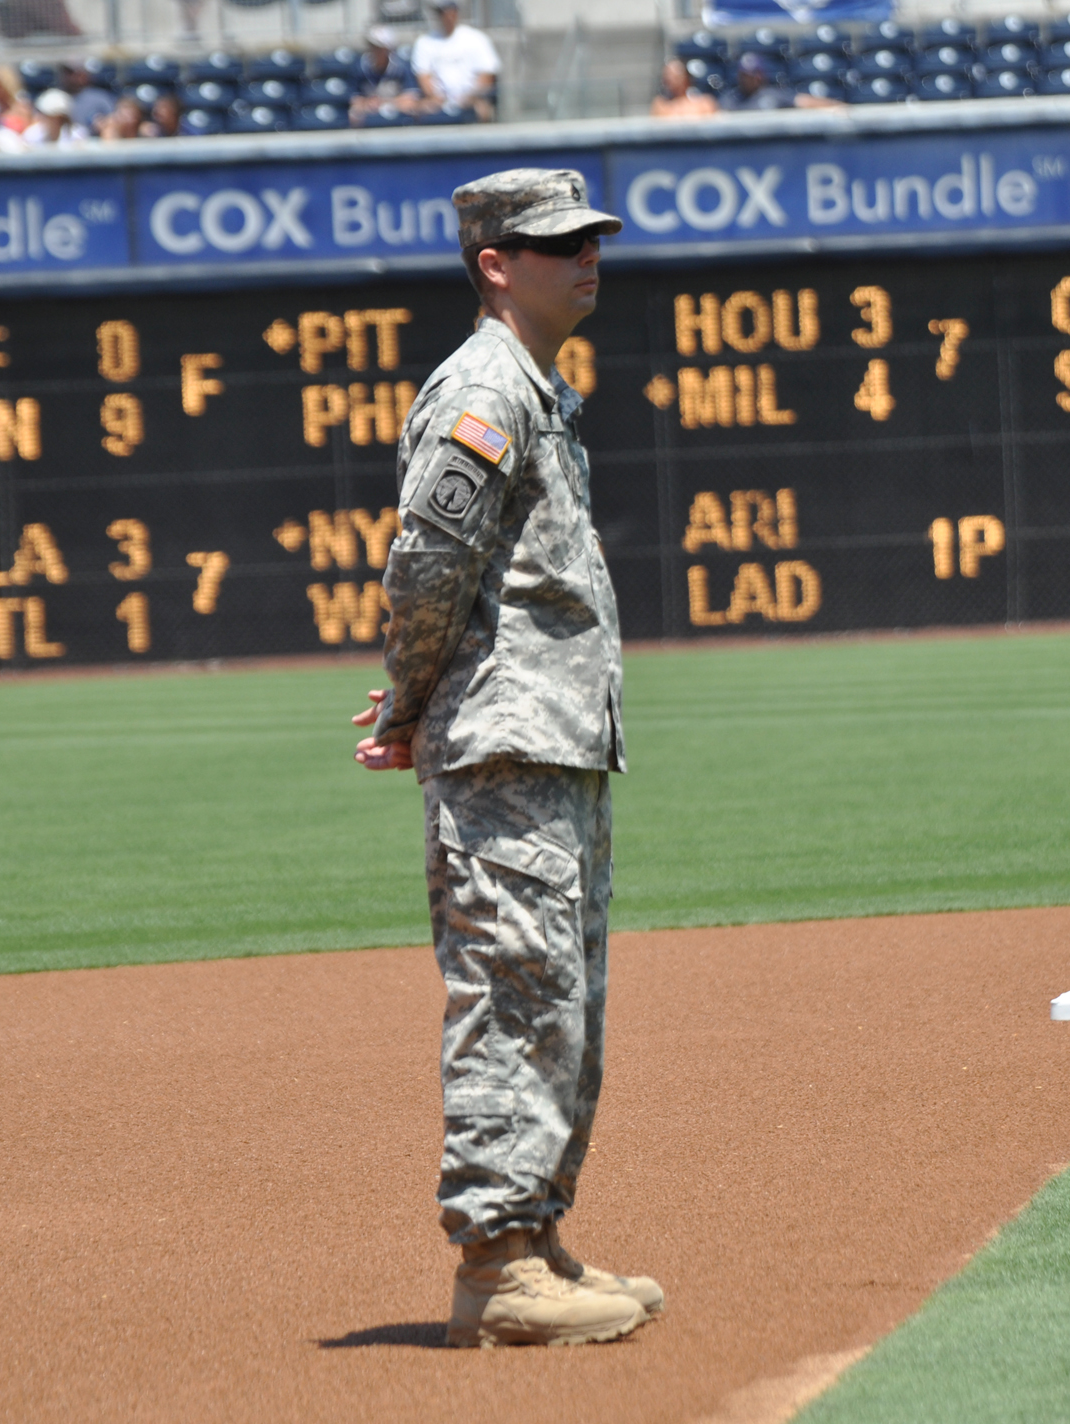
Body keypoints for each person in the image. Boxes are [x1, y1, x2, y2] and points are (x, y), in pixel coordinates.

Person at [351, 168, 659, 1350]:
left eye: (590, 238)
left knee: (557, 998)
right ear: (494, 262)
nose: (587, 256)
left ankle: (535, 1235)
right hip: (502, 745)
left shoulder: (536, 385)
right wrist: (412, 704)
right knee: (514, 997)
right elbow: (427, 560)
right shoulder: (483, 387)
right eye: (557, 244)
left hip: (550, 739)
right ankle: (493, 1262)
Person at [413, 0, 502, 120]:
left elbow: (487, 75)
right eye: (443, 12)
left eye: (451, 11)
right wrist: (437, 98)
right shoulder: (424, 42)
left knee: (483, 110)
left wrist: (469, 98)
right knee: (418, 109)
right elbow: (424, 76)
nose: (448, 16)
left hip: (471, 100)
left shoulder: (476, 38)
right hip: (439, 102)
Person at [717, 52, 794, 111]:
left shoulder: (774, 95)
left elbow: (800, 101)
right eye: (745, 76)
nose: (748, 79)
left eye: (753, 75)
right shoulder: (731, 99)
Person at [650, 59, 718, 118]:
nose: (669, 79)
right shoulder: (661, 105)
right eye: (666, 76)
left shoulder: (704, 103)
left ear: (686, 77)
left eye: (675, 77)